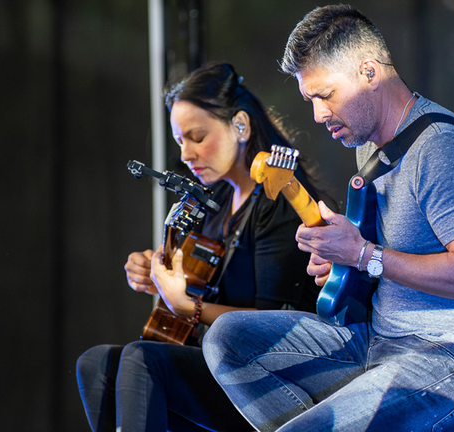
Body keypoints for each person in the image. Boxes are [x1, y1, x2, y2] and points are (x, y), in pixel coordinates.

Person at [202, 5, 454, 432]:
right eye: (310, 100)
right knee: (229, 339)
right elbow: (390, 260)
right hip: (384, 343)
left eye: (325, 95)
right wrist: (342, 261)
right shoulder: (371, 149)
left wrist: (363, 255)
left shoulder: (442, 149)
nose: (318, 115)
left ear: (369, 72)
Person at [76, 62, 330, 432]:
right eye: (180, 141)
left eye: (196, 137)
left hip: (267, 379)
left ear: (240, 126)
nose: (186, 154)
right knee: (95, 363)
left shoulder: (278, 201)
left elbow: (273, 323)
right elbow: (202, 276)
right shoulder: (217, 202)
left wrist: (188, 306)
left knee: (144, 360)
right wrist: (157, 272)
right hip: (217, 364)